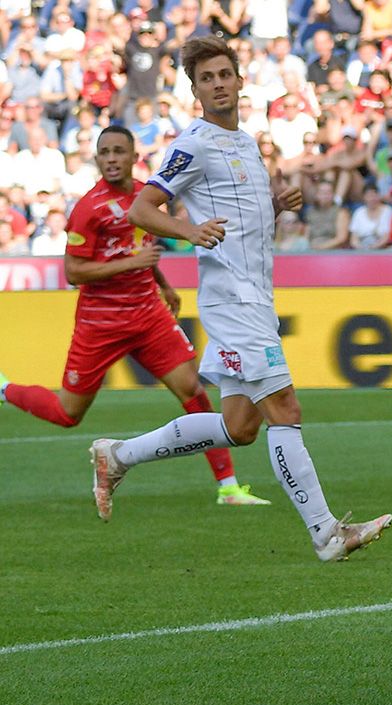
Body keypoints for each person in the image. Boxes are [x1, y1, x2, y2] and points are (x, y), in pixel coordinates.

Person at [96, 36, 392, 560]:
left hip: (254, 295)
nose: (217, 85)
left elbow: (242, 216)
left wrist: (275, 205)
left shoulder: (247, 143)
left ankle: (118, 455)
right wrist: (188, 232)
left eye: (224, 75)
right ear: (195, 90)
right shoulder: (196, 142)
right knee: (286, 407)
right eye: (206, 79)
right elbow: (143, 208)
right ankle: (327, 533)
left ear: (238, 81)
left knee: (240, 427)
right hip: (233, 299)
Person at [0, 126, 270, 508]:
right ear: (97, 160)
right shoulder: (87, 209)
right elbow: (74, 273)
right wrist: (134, 263)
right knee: (67, 413)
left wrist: (162, 283)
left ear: (132, 157)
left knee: (193, 391)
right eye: (105, 153)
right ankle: (4, 389)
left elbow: (141, 246)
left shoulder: (145, 196)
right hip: (100, 323)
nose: (111, 159)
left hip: (148, 316)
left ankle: (228, 487)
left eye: (118, 152)